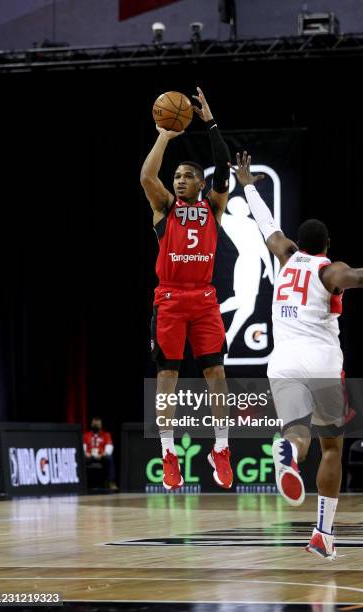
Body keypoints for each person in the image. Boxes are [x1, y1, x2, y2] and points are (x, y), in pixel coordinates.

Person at [235, 150, 363, 560]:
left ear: (297, 244)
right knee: (332, 447)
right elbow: (358, 277)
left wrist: (248, 183)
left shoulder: (284, 257)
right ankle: (322, 531)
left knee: (296, 433)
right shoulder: (328, 269)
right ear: (326, 245)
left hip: (283, 361)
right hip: (323, 361)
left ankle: (287, 453)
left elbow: (267, 225)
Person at [140, 87, 233, 490]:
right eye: (176, 176)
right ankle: (168, 453)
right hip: (171, 299)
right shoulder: (164, 208)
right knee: (167, 381)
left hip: (205, 299)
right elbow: (146, 175)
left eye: (186, 176)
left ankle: (222, 449)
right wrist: (165, 134)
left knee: (216, 375)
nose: (179, 180)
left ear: (200, 183)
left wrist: (209, 122)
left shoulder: (213, 206)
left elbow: (224, 166)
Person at [83, 417, 118, 490]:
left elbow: (109, 448)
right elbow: (83, 448)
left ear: (101, 425)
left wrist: (102, 454)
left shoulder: (106, 434)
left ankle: (111, 482)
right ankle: (82, 483)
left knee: (109, 458)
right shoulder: (86, 435)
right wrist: (86, 453)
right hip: (89, 456)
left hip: (101, 456)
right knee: (81, 459)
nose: (96, 426)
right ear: (91, 424)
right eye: (94, 424)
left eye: (98, 424)